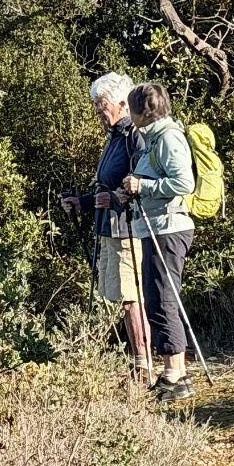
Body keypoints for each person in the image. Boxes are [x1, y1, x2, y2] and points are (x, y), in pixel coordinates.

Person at [64, 72, 154, 384]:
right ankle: (139, 363)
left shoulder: (133, 136)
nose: (98, 111)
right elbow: (107, 189)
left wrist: (116, 198)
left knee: (132, 298)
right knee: (123, 298)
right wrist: (82, 203)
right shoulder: (115, 137)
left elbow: (142, 181)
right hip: (110, 227)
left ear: (121, 103)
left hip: (128, 228)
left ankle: (144, 367)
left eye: (102, 104)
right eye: (96, 105)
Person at [119, 81, 197, 400]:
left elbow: (184, 182)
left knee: (163, 299)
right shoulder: (154, 138)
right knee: (159, 298)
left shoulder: (166, 137)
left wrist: (143, 186)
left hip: (168, 228)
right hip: (157, 227)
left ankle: (175, 375)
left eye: (130, 109)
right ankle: (175, 373)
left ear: (141, 112)